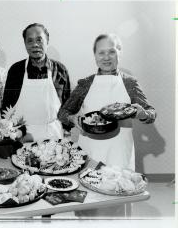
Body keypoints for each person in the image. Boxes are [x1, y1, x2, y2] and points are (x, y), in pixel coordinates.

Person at [58, 33, 156, 171]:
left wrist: (142, 114)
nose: (106, 57)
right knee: (90, 189)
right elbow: (62, 112)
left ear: (119, 53)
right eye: (101, 53)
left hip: (120, 152)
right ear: (95, 56)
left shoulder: (129, 82)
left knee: (119, 187)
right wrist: (72, 118)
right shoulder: (85, 83)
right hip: (90, 150)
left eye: (112, 52)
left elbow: (151, 114)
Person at [2, 23, 71, 142]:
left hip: (53, 134)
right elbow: (7, 107)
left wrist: (67, 130)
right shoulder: (16, 70)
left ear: (47, 41)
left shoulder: (59, 69)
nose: (35, 45)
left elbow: (68, 105)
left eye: (39, 40)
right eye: (30, 41)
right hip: (23, 135)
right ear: (25, 44)